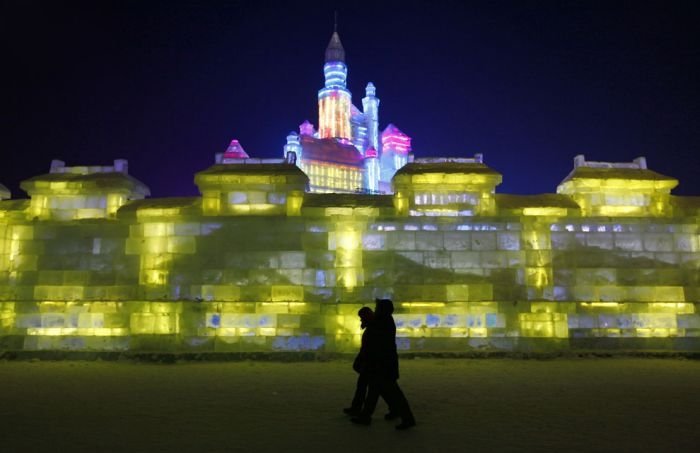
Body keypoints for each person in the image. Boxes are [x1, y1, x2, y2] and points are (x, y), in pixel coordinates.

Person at [351, 298, 416, 430]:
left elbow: (375, 344)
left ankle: (407, 418)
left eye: (377, 307)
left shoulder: (382, 322)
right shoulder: (384, 321)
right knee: (377, 391)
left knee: (391, 393)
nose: (376, 310)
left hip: (382, 365)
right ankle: (367, 416)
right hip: (382, 365)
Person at [343, 307, 374, 416]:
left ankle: (361, 412)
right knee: (364, 386)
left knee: (374, 389)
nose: (361, 320)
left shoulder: (373, 328)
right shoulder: (373, 327)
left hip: (371, 363)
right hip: (369, 363)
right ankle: (357, 408)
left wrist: (361, 359)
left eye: (361, 318)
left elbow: (369, 348)